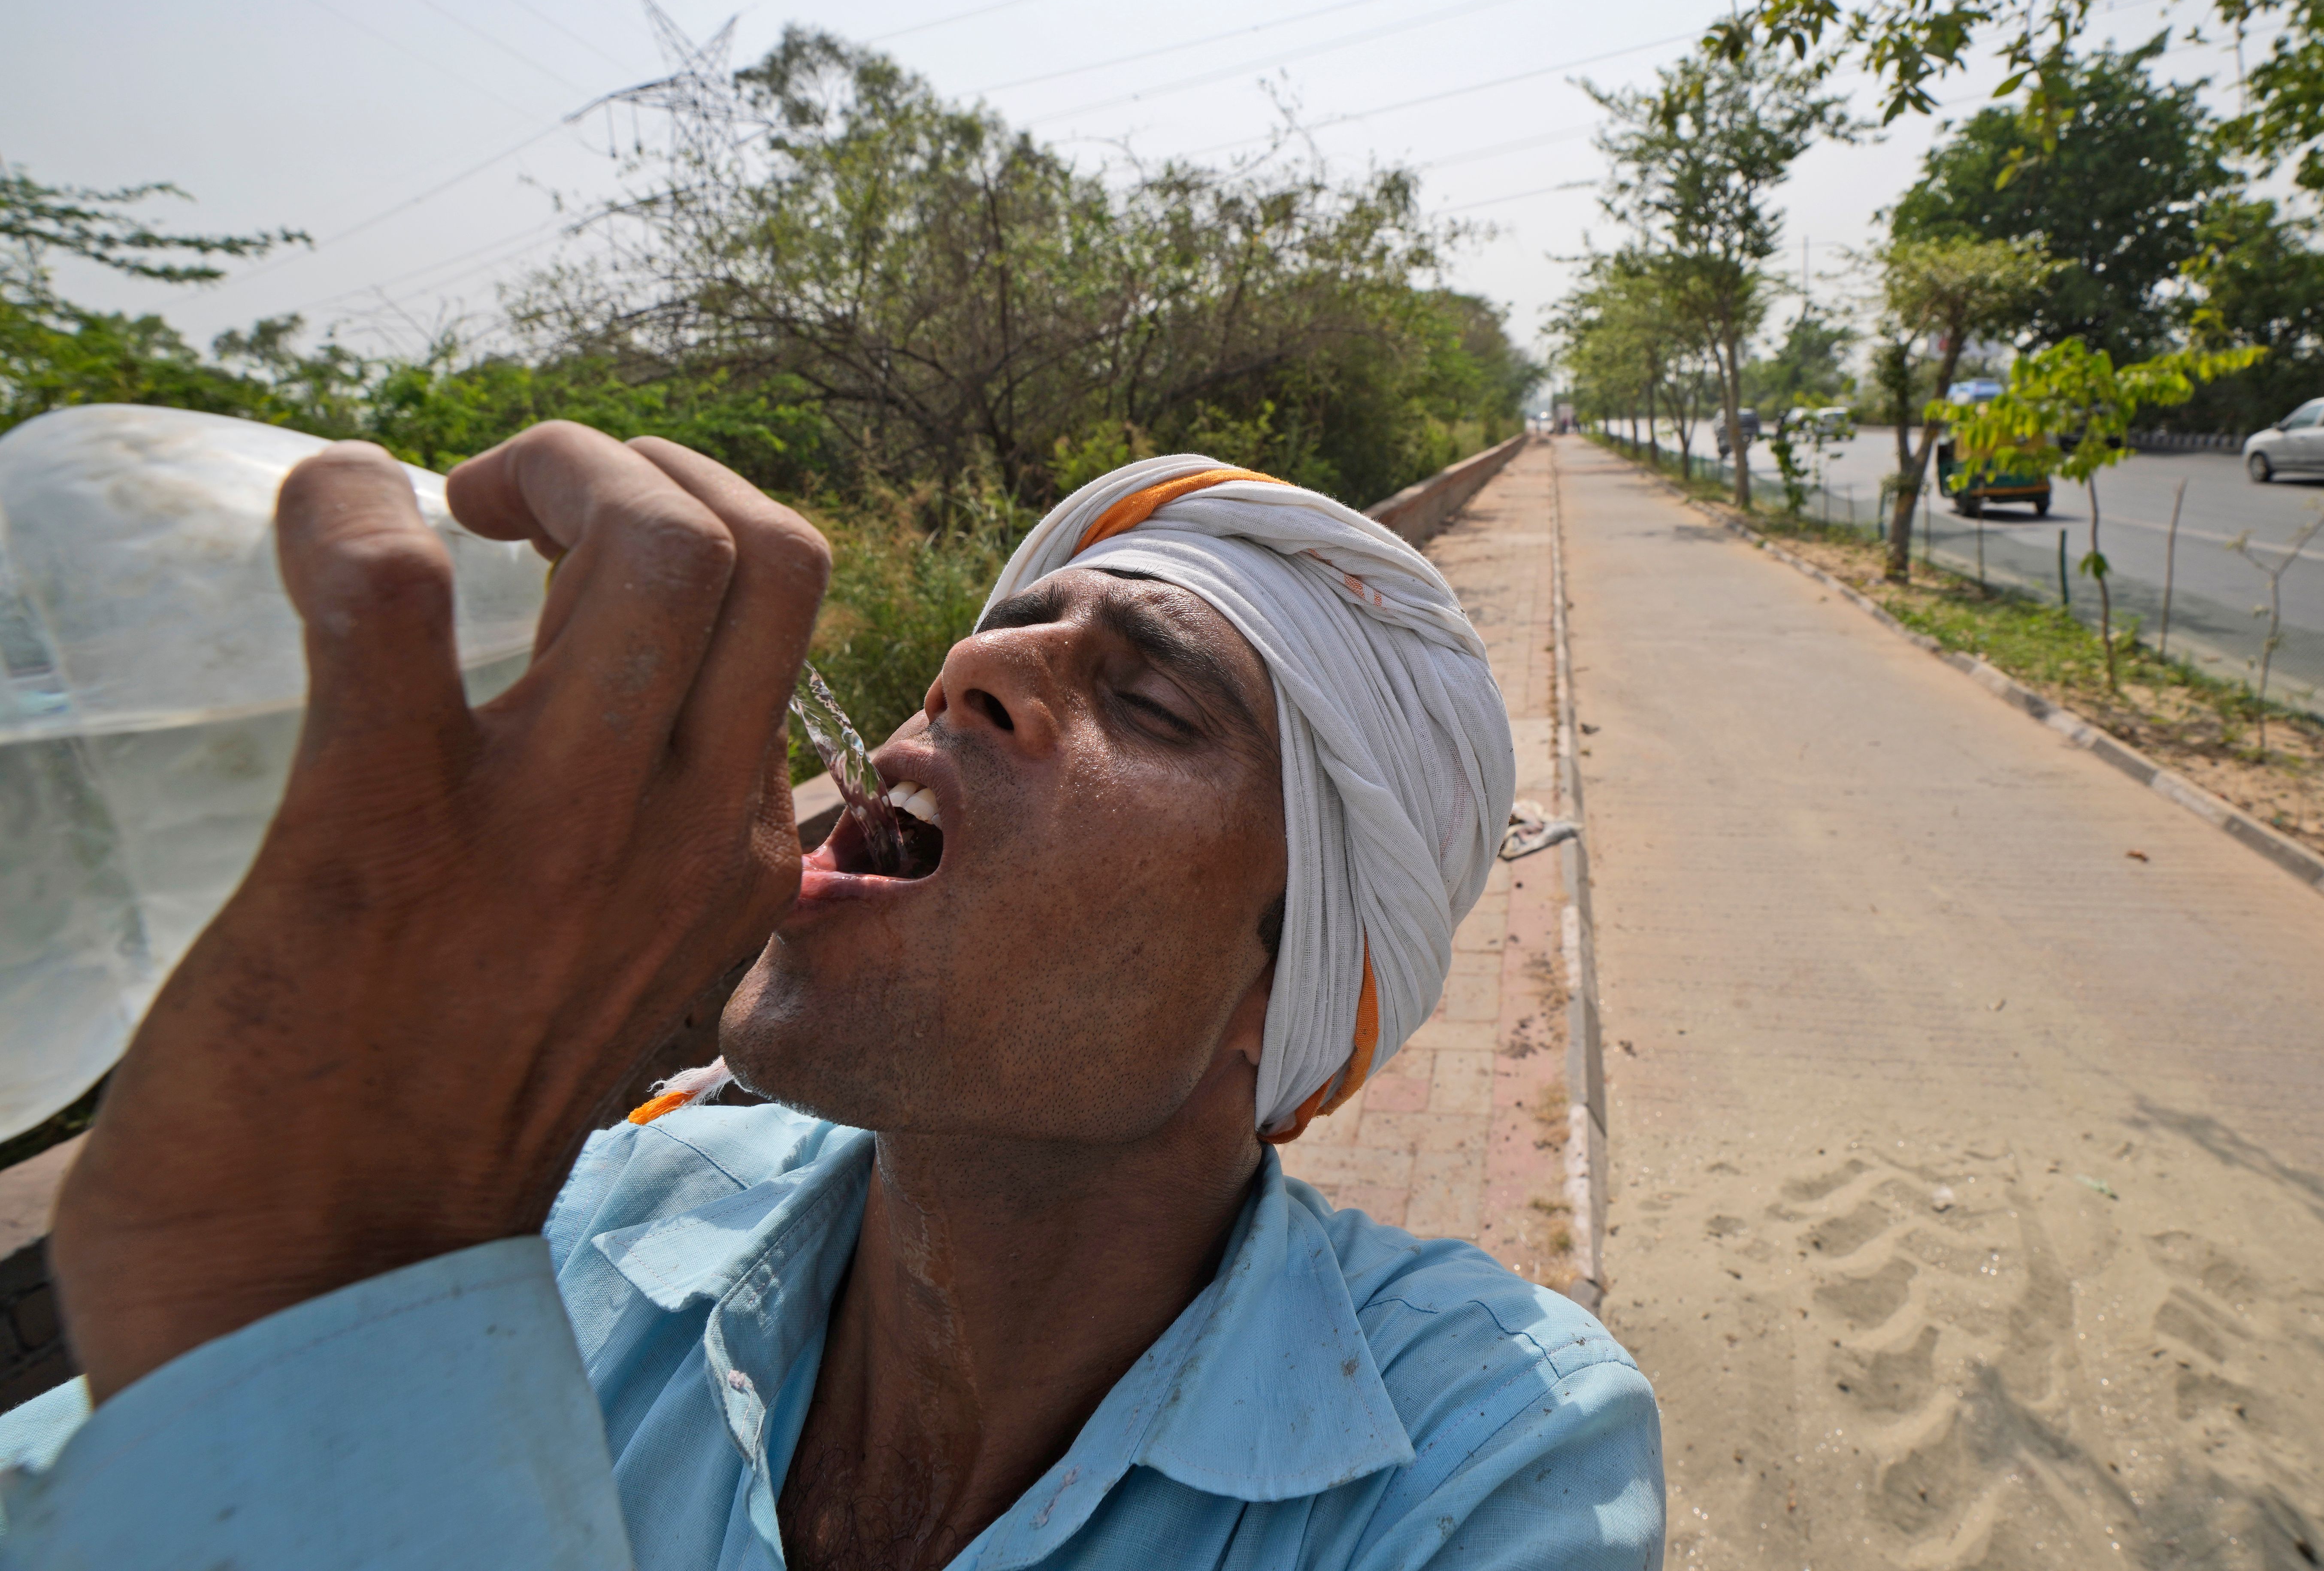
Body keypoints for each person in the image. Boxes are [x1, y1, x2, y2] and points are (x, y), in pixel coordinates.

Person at [0, 425, 1661, 1569]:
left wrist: (342, 1272)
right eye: (1004, 630)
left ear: (1280, 991)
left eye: (1154, 703)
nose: (971, 667)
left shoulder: (1476, 1454)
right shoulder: (607, 1213)